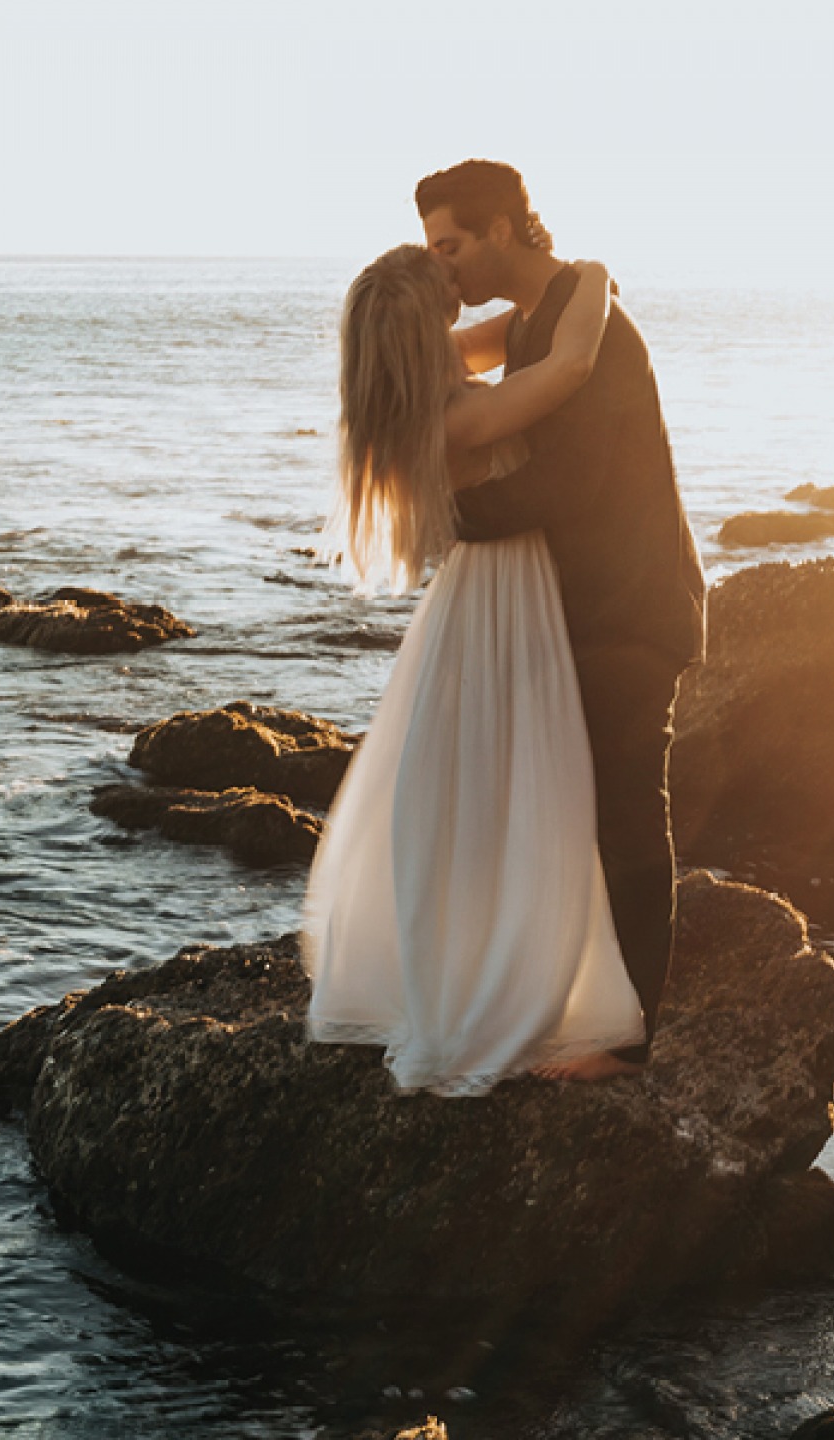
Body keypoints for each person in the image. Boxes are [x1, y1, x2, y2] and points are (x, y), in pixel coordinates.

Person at [301, 239, 648, 1096]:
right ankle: (497, 986)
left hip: (480, 598)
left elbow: (503, 334)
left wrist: (522, 297)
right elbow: (567, 364)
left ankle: (484, 959)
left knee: (470, 788)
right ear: (426, 324)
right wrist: (593, 275)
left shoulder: (412, 391)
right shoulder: (458, 417)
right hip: (504, 598)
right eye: (443, 284)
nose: (458, 285)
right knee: (520, 787)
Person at [415, 160, 706, 1081]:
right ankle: (566, 1006)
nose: (445, 269)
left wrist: (439, 518)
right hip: (578, 606)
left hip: (630, 607)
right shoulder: (543, 318)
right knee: (563, 815)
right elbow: (436, 357)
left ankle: (629, 1045)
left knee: (624, 815)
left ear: (502, 228)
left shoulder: (597, 330)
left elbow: (567, 485)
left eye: (450, 247)